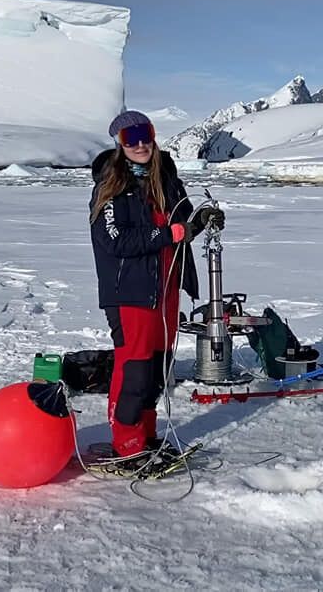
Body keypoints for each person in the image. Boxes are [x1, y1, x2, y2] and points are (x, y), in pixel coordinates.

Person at [89, 110, 224, 462]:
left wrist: (202, 219)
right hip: (130, 291)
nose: (140, 144)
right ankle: (127, 442)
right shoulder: (111, 185)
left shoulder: (165, 176)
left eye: (145, 134)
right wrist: (166, 234)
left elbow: (184, 221)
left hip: (165, 286)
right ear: (119, 144)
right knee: (134, 367)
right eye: (130, 138)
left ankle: (147, 436)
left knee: (157, 367)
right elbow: (114, 240)